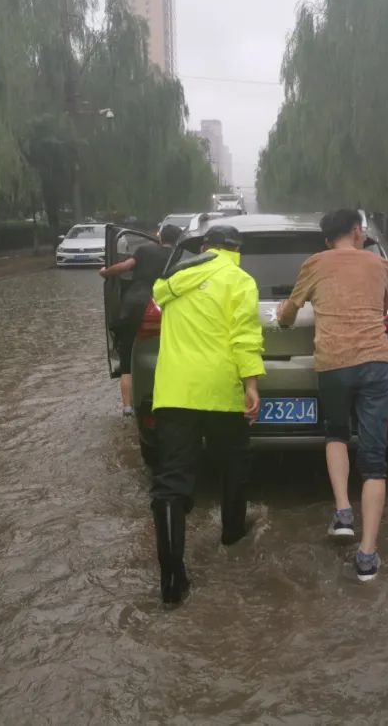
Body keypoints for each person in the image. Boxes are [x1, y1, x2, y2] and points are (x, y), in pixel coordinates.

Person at [148, 225, 264, 604]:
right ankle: (232, 532)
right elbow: (244, 335)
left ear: (205, 247)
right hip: (220, 392)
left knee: (171, 482)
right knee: (234, 462)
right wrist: (251, 384)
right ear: (235, 248)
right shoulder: (238, 279)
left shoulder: (174, 280)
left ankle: (171, 579)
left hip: (174, 394)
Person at [277, 209, 388, 582]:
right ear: (358, 231)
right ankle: (367, 557)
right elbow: (386, 309)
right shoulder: (381, 265)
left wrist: (282, 316)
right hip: (378, 363)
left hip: (335, 363)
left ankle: (343, 512)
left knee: (336, 432)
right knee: (375, 460)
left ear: (328, 240)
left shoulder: (316, 263)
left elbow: (288, 314)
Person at [99, 224, 183, 417]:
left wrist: (105, 272)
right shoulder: (178, 257)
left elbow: (125, 267)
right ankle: (162, 399)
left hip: (132, 304)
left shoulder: (144, 250)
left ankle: (127, 407)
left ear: (161, 237)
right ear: (178, 239)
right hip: (158, 307)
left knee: (127, 356)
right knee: (157, 354)